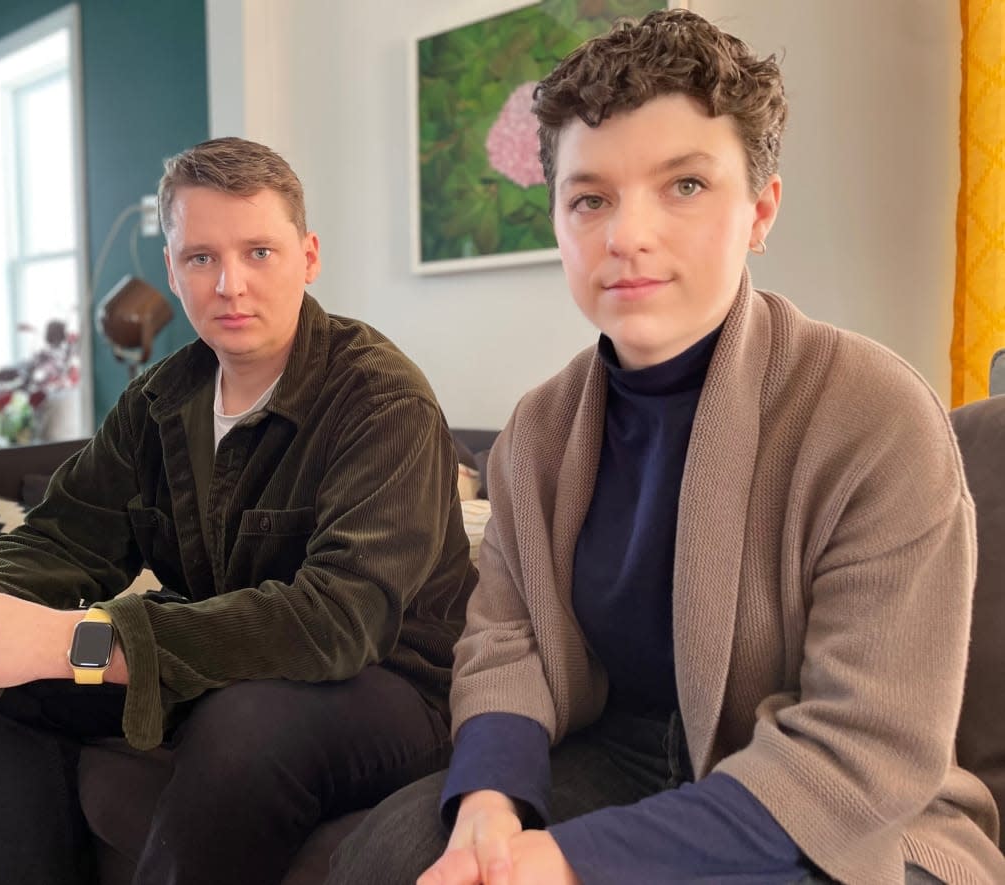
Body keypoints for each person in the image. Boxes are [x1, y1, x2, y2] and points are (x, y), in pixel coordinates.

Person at [328, 9, 1005, 884]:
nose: (626, 236)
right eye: (591, 198)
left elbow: (863, 747)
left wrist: (573, 858)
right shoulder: (538, 429)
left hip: (846, 809)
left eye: (684, 185)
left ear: (761, 209)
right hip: (625, 754)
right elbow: (507, 640)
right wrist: (489, 805)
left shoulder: (874, 415)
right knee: (387, 854)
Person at [0, 136, 477, 885]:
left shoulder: (381, 398)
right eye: (201, 257)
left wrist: (72, 640)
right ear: (172, 269)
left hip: (393, 684)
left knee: (246, 725)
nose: (230, 284)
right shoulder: (160, 399)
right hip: (220, 657)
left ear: (309, 255)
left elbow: (337, 620)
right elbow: (67, 530)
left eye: (259, 252)